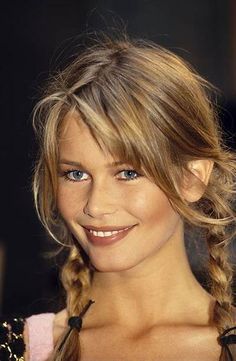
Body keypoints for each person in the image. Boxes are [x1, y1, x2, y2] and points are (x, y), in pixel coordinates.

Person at [1, 35, 235, 361]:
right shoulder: (18, 348)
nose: (95, 206)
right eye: (76, 174)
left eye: (127, 173)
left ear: (192, 178)